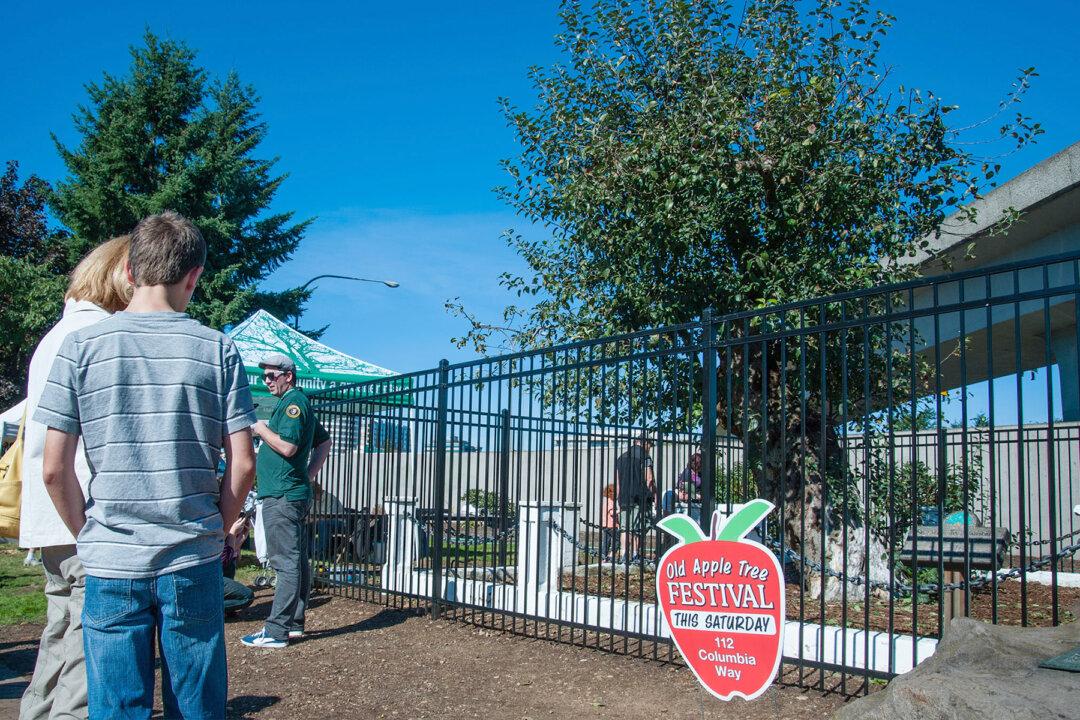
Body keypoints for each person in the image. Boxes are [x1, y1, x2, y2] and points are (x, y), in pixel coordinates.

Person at [35, 211, 257, 718]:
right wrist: (219, 528)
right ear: (193, 277)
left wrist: (87, 534)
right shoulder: (217, 349)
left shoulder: (81, 347)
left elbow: (53, 469)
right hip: (191, 554)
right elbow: (242, 464)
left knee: (116, 707)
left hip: (111, 558)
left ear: (129, 272)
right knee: (197, 705)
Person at [19, 235, 132, 720]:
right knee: (91, 649)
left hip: (49, 514)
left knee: (60, 630)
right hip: (84, 510)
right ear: (127, 274)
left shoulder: (55, 336)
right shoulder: (99, 337)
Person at [241, 354, 332, 649]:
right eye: (264, 377)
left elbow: (289, 447)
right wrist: (308, 475)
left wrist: (259, 428)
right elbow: (325, 441)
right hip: (290, 492)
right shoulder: (296, 404)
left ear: (287, 376)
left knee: (286, 562)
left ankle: (277, 630)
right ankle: (292, 625)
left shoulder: (294, 404)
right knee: (297, 560)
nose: (266, 381)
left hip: (283, 495)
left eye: (271, 376)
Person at [614, 434, 656, 563]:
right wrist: (654, 495)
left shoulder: (621, 457)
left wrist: (618, 500)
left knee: (625, 528)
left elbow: (617, 482)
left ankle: (623, 554)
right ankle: (635, 555)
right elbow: (649, 478)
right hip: (640, 498)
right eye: (650, 445)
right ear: (645, 443)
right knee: (639, 528)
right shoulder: (645, 456)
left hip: (624, 498)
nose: (650, 448)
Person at [677, 452, 703, 524]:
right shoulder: (687, 474)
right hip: (689, 506)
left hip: (698, 505)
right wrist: (697, 496)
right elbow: (681, 494)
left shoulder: (699, 473)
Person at [599, 483, 618, 562]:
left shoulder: (606, 501)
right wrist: (620, 510)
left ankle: (603, 558)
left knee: (606, 542)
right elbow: (612, 513)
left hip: (605, 524)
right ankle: (611, 555)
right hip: (611, 525)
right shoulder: (611, 502)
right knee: (618, 540)